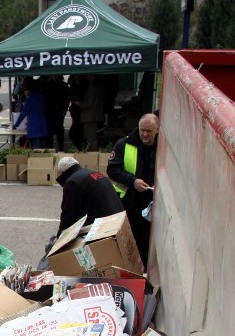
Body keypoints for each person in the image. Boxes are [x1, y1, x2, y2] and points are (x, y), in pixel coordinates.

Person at [107, 113, 159, 267]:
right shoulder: (124, 144)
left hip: (153, 203)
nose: (144, 134)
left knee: (146, 244)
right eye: (142, 130)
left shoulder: (164, 147)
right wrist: (133, 181)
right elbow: (113, 170)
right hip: (129, 203)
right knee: (127, 243)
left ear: (157, 130)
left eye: (149, 131)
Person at [55, 156, 125, 235]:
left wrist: (59, 238)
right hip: (118, 221)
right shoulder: (94, 174)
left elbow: (69, 215)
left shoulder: (72, 182)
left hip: (102, 228)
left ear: (64, 172)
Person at [12, 80, 49, 149]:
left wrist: (16, 124)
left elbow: (23, 114)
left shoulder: (30, 100)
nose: (24, 93)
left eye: (25, 91)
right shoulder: (41, 98)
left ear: (28, 91)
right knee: (43, 146)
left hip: (34, 126)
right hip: (43, 124)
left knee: (36, 147)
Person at [75, 74, 105, 152]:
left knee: (91, 138)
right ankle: (93, 153)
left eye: (88, 75)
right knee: (92, 137)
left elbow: (89, 103)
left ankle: (93, 154)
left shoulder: (92, 88)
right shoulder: (97, 87)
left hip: (90, 117)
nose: (86, 77)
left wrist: (79, 104)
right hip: (93, 116)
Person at [44, 75, 71, 151]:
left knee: (57, 130)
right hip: (51, 111)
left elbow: (67, 99)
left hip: (57, 111)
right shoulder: (49, 86)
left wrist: (65, 109)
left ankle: (59, 147)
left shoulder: (63, 86)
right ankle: (52, 147)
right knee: (52, 130)